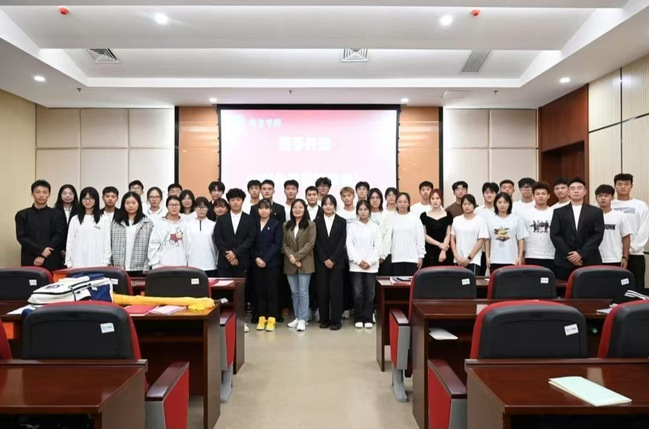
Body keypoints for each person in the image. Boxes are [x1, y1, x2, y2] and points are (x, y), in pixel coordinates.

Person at [550, 177, 604, 280]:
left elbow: (598, 235)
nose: (576, 191)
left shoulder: (596, 212)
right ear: (568, 192)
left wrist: (581, 253)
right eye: (572, 188)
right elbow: (555, 234)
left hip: (589, 260)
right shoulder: (558, 212)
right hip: (565, 261)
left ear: (585, 191)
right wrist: (570, 255)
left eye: (579, 188)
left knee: (590, 287)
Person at [15, 180, 67, 271]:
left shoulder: (57, 214)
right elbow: (22, 237)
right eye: (38, 192)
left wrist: (44, 254)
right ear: (32, 194)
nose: (41, 195)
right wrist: (40, 251)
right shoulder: (22, 215)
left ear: (49, 195)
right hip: (30, 259)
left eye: (44, 192)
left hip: (52, 259)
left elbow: (59, 235)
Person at [314, 195, 347, 331]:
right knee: (323, 291)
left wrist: (333, 259)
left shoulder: (342, 221)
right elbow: (316, 243)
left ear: (334, 206)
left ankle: (336, 320)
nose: (328, 207)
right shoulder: (316, 222)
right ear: (322, 206)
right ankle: (324, 319)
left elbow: (342, 242)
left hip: (337, 262)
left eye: (331, 204)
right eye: (325, 204)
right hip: (321, 262)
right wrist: (324, 259)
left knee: (336, 292)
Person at [611, 173, 649, 292]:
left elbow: (644, 229)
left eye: (626, 184)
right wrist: (620, 251)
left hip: (636, 253)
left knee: (637, 287)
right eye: (619, 184)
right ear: (615, 186)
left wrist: (628, 250)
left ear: (631, 186)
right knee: (616, 287)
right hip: (614, 254)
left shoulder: (641, 205)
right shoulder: (609, 204)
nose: (623, 187)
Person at [283, 199, 316, 332]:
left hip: (305, 262)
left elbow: (310, 244)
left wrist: (296, 257)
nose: (297, 210)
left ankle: (303, 319)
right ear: (291, 210)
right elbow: (284, 244)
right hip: (290, 263)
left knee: (303, 292)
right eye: (295, 207)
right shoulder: (286, 225)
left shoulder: (311, 225)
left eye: (300, 207)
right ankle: (297, 317)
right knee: (294, 292)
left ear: (305, 209)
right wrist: (291, 257)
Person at [347, 200, 381, 329]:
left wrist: (370, 261)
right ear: (357, 211)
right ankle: (358, 318)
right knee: (358, 293)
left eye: (365, 209)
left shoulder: (375, 227)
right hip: (356, 266)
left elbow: (377, 247)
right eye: (360, 209)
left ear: (369, 211)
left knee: (370, 293)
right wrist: (358, 261)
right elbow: (350, 246)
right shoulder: (352, 227)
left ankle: (368, 318)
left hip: (371, 266)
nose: (363, 212)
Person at [252, 199, 283, 332]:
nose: (263, 211)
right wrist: (256, 258)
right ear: (258, 210)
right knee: (260, 291)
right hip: (256, 263)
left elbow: (277, 244)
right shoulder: (254, 223)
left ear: (271, 210)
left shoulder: (276, 224)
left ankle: (272, 318)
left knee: (272, 291)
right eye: (261, 208)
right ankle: (261, 317)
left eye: (266, 208)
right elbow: (251, 243)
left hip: (272, 263)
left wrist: (264, 259)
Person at [212, 188, 256, 277]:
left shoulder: (250, 219)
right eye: (232, 200)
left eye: (238, 200)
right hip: (225, 262)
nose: (235, 202)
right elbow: (218, 238)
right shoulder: (221, 219)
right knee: (224, 286)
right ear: (229, 202)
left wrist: (235, 253)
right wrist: (229, 255)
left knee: (242, 286)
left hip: (242, 261)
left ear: (242, 201)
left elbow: (250, 239)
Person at [65, 187, 111, 268]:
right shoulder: (75, 219)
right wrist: (69, 262)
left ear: (96, 200)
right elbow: (70, 242)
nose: (87, 201)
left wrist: (106, 262)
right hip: (77, 263)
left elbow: (107, 243)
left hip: (98, 263)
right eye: (85, 199)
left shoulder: (104, 219)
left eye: (91, 198)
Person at [110, 192, 153, 276]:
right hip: (118, 268)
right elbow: (110, 244)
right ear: (123, 204)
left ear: (139, 204)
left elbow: (151, 247)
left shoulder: (147, 222)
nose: (130, 205)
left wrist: (147, 266)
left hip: (140, 268)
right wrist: (111, 264)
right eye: (127, 203)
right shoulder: (116, 223)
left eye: (134, 203)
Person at [485, 192, 528, 272]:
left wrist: (520, 257)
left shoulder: (517, 219)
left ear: (509, 204)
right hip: (495, 259)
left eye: (505, 202)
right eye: (499, 202)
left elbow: (521, 239)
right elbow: (487, 240)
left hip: (512, 259)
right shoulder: (490, 220)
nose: (502, 205)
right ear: (495, 204)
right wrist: (487, 257)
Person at [450, 194, 489, 275]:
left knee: (471, 282)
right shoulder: (456, 220)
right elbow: (452, 239)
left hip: (473, 260)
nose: (467, 206)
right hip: (458, 260)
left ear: (473, 205)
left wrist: (469, 257)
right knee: (458, 282)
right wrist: (456, 256)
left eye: (469, 204)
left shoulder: (480, 220)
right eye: (464, 204)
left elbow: (481, 240)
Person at [596, 185, 631, 268]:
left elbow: (626, 237)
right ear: (596, 198)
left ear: (612, 198)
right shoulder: (590, 215)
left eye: (606, 196)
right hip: (595, 258)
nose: (603, 198)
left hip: (615, 258)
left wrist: (625, 257)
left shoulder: (621, 216)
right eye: (600, 196)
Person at [523, 182, 556, 270]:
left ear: (548, 196)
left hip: (550, 254)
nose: (540, 196)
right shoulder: (526, 214)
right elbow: (522, 235)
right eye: (537, 194)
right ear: (533, 196)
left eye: (543, 194)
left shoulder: (554, 212)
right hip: (531, 254)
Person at [148, 196, 188, 269]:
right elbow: (154, 244)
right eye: (171, 205)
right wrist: (155, 264)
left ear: (180, 206)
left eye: (176, 205)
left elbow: (188, 245)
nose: (174, 207)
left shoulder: (185, 224)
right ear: (167, 206)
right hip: (162, 265)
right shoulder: (160, 224)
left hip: (182, 264)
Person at [390, 192, 425, 276]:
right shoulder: (391, 218)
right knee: (397, 283)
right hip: (396, 258)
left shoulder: (415, 218)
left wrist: (421, 256)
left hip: (412, 258)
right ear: (396, 203)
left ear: (409, 203)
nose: (402, 204)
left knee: (411, 283)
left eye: (405, 202)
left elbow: (420, 238)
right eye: (400, 202)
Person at [185, 197, 218, 277]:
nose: (201, 210)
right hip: (193, 264)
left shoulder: (213, 225)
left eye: (204, 207)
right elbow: (186, 245)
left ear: (208, 209)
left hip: (211, 264)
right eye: (199, 207)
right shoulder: (188, 225)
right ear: (195, 209)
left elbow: (216, 245)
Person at [420, 188, 452, 268]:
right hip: (429, 251)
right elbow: (424, 235)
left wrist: (443, 250)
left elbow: (448, 235)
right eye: (433, 198)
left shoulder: (448, 215)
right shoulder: (424, 216)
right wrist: (439, 244)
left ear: (441, 200)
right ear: (430, 200)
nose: (435, 201)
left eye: (437, 198)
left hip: (445, 250)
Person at [475, 182, 498, 275]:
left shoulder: (501, 210)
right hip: (480, 250)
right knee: (480, 276)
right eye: (487, 193)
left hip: (496, 249)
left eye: (492, 193)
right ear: (483, 194)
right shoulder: (477, 211)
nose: (489, 195)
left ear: (496, 194)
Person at [368, 188, 393, 276]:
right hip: (368, 255)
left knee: (384, 281)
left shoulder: (387, 214)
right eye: (372, 198)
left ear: (381, 199)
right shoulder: (364, 214)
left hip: (384, 255)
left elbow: (388, 236)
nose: (375, 200)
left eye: (377, 197)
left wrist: (382, 256)